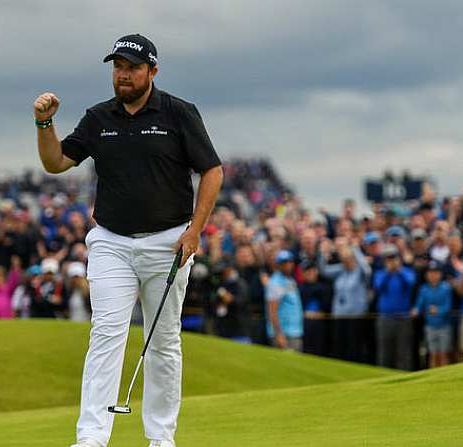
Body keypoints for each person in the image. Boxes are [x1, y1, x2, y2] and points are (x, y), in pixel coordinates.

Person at [34, 33, 223, 447]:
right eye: (117, 67)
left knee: (163, 342)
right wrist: (45, 123)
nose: (122, 75)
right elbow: (55, 162)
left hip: (169, 243)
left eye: (132, 67)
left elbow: (212, 171)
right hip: (111, 243)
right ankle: (91, 437)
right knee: (106, 335)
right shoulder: (99, 118)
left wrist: (195, 230)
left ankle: (161, 438)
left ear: (151, 71)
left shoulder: (178, 113)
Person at [372, 244, 416, 370]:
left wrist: (399, 270)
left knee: (404, 353)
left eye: (393, 257)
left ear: (399, 258)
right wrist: (388, 272)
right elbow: (378, 287)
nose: (391, 261)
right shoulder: (380, 274)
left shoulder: (407, 272)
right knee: (385, 353)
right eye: (388, 258)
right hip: (385, 318)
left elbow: (410, 283)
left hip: (403, 318)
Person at [412, 261, 453, 368]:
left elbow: (448, 306)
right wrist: (416, 310)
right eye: (430, 273)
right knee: (433, 355)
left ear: (440, 274)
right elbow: (419, 304)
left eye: (435, 272)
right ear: (426, 275)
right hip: (430, 327)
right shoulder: (424, 289)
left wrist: (438, 310)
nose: (433, 275)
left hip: (444, 327)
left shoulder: (446, 288)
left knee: (443, 355)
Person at [265, 250, 304, 351]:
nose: (288, 265)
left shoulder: (290, 280)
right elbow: (272, 311)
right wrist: (278, 334)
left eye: (290, 261)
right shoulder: (275, 282)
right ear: (279, 265)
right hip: (284, 334)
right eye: (284, 262)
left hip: (294, 331)